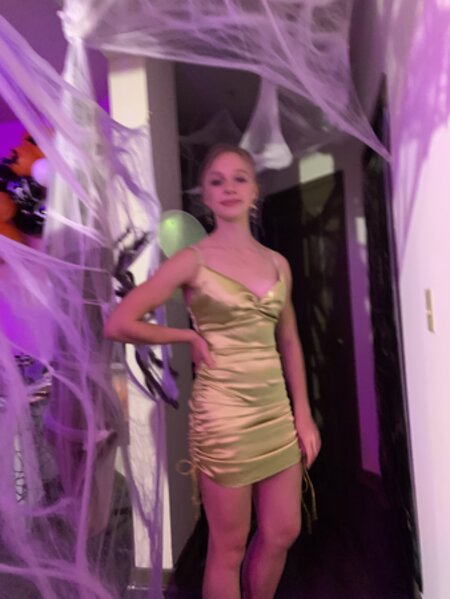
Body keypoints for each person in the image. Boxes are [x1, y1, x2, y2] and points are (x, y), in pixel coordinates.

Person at [105, 144, 321, 599]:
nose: (229, 188)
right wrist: (187, 336)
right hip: (224, 417)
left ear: (255, 190)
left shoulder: (277, 263)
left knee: (283, 530)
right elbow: (119, 322)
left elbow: (289, 341)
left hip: (275, 413)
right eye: (217, 181)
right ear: (204, 196)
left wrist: (303, 415)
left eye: (239, 178)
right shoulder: (192, 260)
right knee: (229, 546)